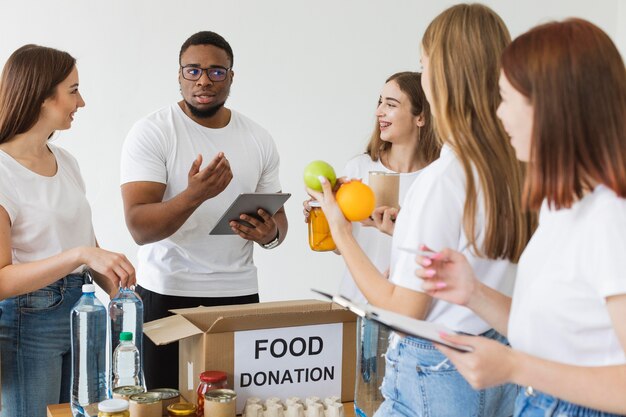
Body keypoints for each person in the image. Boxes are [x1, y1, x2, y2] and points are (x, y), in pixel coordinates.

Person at [307, 4, 531, 416]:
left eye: (424, 65)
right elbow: (480, 252)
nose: (423, 77)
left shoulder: (443, 177)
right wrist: (406, 230)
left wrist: (339, 229)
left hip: (437, 369)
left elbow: (404, 307)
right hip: (494, 355)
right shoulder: (512, 165)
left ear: (445, 76)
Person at [416, 18, 626, 417]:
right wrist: (472, 291)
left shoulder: (611, 219)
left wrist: (515, 366)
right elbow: (551, 339)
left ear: (552, 109)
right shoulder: (560, 206)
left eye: (506, 98)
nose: (499, 113)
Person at [120, 31, 288, 389]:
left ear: (230, 77)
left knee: (236, 403)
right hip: (167, 292)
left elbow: (278, 221)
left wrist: (269, 234)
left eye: (216, 72)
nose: (204, 81)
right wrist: (195, 195)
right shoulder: (152, 132)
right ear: (179, 75)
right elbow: (139, 226)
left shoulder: (258, 137)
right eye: (193, 71)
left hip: (239, 293)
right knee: (166, 403)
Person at [0, 45, 136, 417]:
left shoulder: (67, 162)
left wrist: (121, 292)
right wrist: (80, 255)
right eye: (73, 90)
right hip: (29, 321)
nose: (83, 102)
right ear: (43, 95)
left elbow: (87, 247)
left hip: (83, 312)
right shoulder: (2, 171)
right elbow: (2, 279)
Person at [304, 71, 439, 303]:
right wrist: (325, 221)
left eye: (391, 104)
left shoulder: (436, 178)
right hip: (355, 303)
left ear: (421, 117)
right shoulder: (359, 168)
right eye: (380, 102)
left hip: (406, 308)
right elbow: (342, 247)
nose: (379, 111)